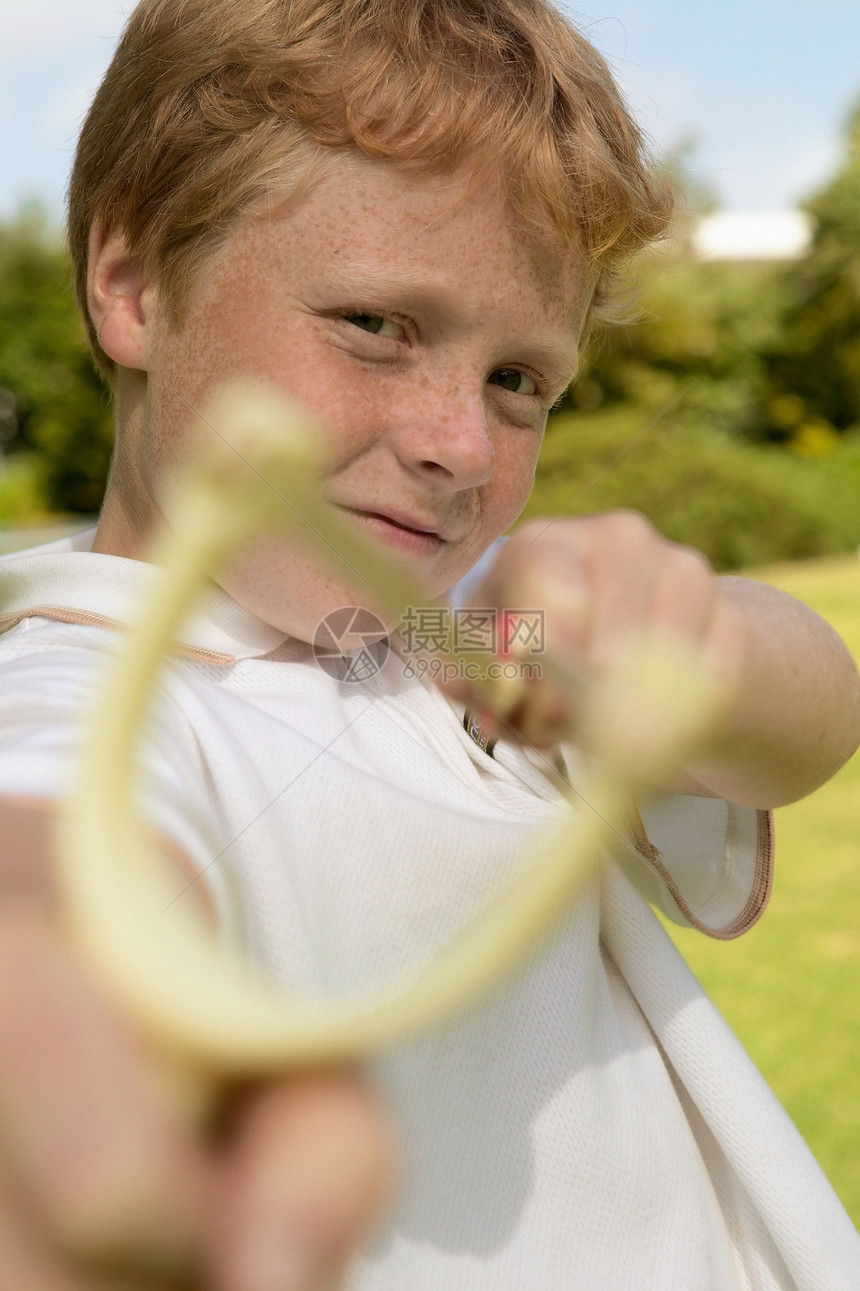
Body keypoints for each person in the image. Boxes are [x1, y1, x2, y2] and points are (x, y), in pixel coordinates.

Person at [0, 1, 858, 1288]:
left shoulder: (453, 646)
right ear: (131, 283)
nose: (459, 443)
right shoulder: (83, 685)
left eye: (519, 381)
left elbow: (811, 711)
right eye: (375, 324)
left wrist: (689, 645)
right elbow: (67, 845)